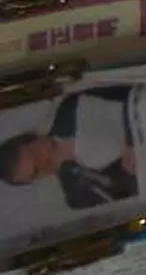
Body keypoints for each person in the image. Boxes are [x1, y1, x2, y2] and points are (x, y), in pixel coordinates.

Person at [0, 89, 138, 211]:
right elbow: (126, 200)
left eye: (36, 157)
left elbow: (131, 99)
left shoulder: (72, 107)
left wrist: (129, 143)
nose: (44, 164)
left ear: (35, 137)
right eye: (36, 172)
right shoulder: (77, 194)